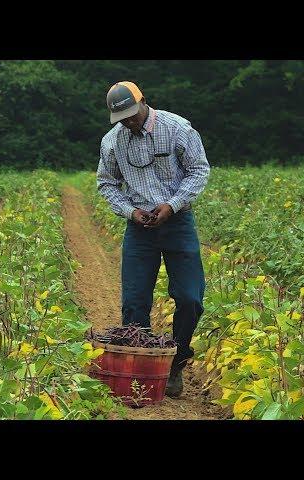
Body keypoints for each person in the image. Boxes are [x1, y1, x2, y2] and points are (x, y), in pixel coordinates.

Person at [96, 81, 211, 398]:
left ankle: (175, 363)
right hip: (139, 229)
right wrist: (130, 212)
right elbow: (106, 184)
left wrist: (171, 205)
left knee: (190, 298)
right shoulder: (112, 143)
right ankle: (140, 371)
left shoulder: (177, 128)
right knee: (134, 304)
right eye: (121, 118)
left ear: (143, 102)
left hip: (177, 222)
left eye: (132, 114)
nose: (129, 122)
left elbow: (198, 171)